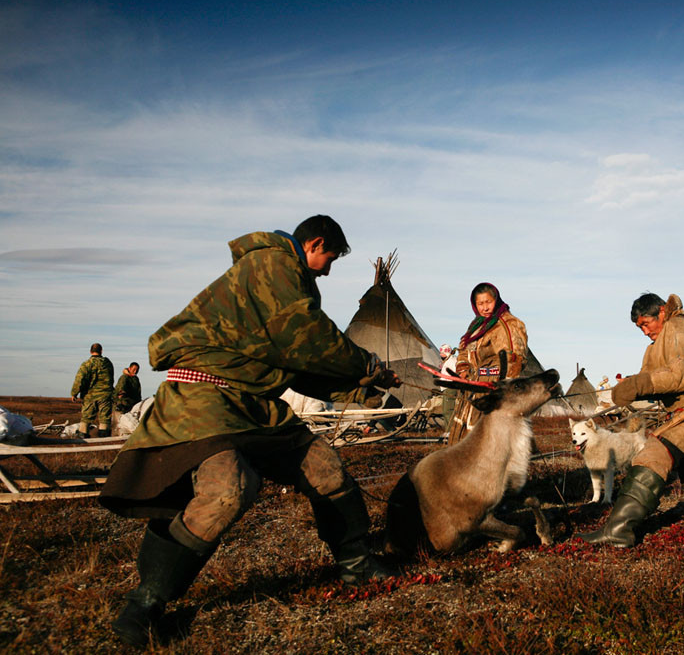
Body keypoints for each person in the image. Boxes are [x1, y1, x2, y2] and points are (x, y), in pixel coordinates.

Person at [99, 215, 401, 647]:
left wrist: (366, 385)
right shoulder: (272, 266)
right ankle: (145, 605)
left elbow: (301, 363)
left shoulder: (293, 282)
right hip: (207, 400)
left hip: (257, 405)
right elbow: (307, 337)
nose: (329, 270)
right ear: (313, 244)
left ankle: (355, 563)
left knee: (325, 467)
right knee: (228, 489)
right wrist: (365, 364)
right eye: (329, 258)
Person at [581, 293, 684, 548]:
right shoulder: (662, 340)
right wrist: (633, 383)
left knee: (655, 454)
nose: (645, 331)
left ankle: (619, 529)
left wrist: (639, 384)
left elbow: (678, 375)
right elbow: (658, 377)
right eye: (640, 327)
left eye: (647, 323)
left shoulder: (677, 329)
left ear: (662, 312)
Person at [446, 283, 527, 445]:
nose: (485, 308)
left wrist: (498, 384)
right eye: (480, 304)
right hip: (471, 391)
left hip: (493, 391)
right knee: (464, 443)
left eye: (488, 302)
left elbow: (515, 358)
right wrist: (463, 369)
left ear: (496, 300)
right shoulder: (476, 326)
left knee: (490, 441)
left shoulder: (508, 324)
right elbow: (464, 351)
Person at [71, 343, 115, 438]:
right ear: (101, 351)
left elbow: (79, 380)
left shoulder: (87, 364)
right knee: (104, 419)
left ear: (90, 351)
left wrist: (74, 393)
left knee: (86, 418)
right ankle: (104, 441)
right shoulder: (108, 363)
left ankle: (82, 441)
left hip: (90, 396)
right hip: (105, 396)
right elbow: (111, 379)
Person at [437, 344, 459, 431]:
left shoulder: (451, 361)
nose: (441, 355)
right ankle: (448, 430)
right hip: (446, 388)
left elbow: (455, 374)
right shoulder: (448, 360)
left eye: (442, 354)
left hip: (449, 387)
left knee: (448, 411)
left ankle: (450, 431)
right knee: (446, 410)